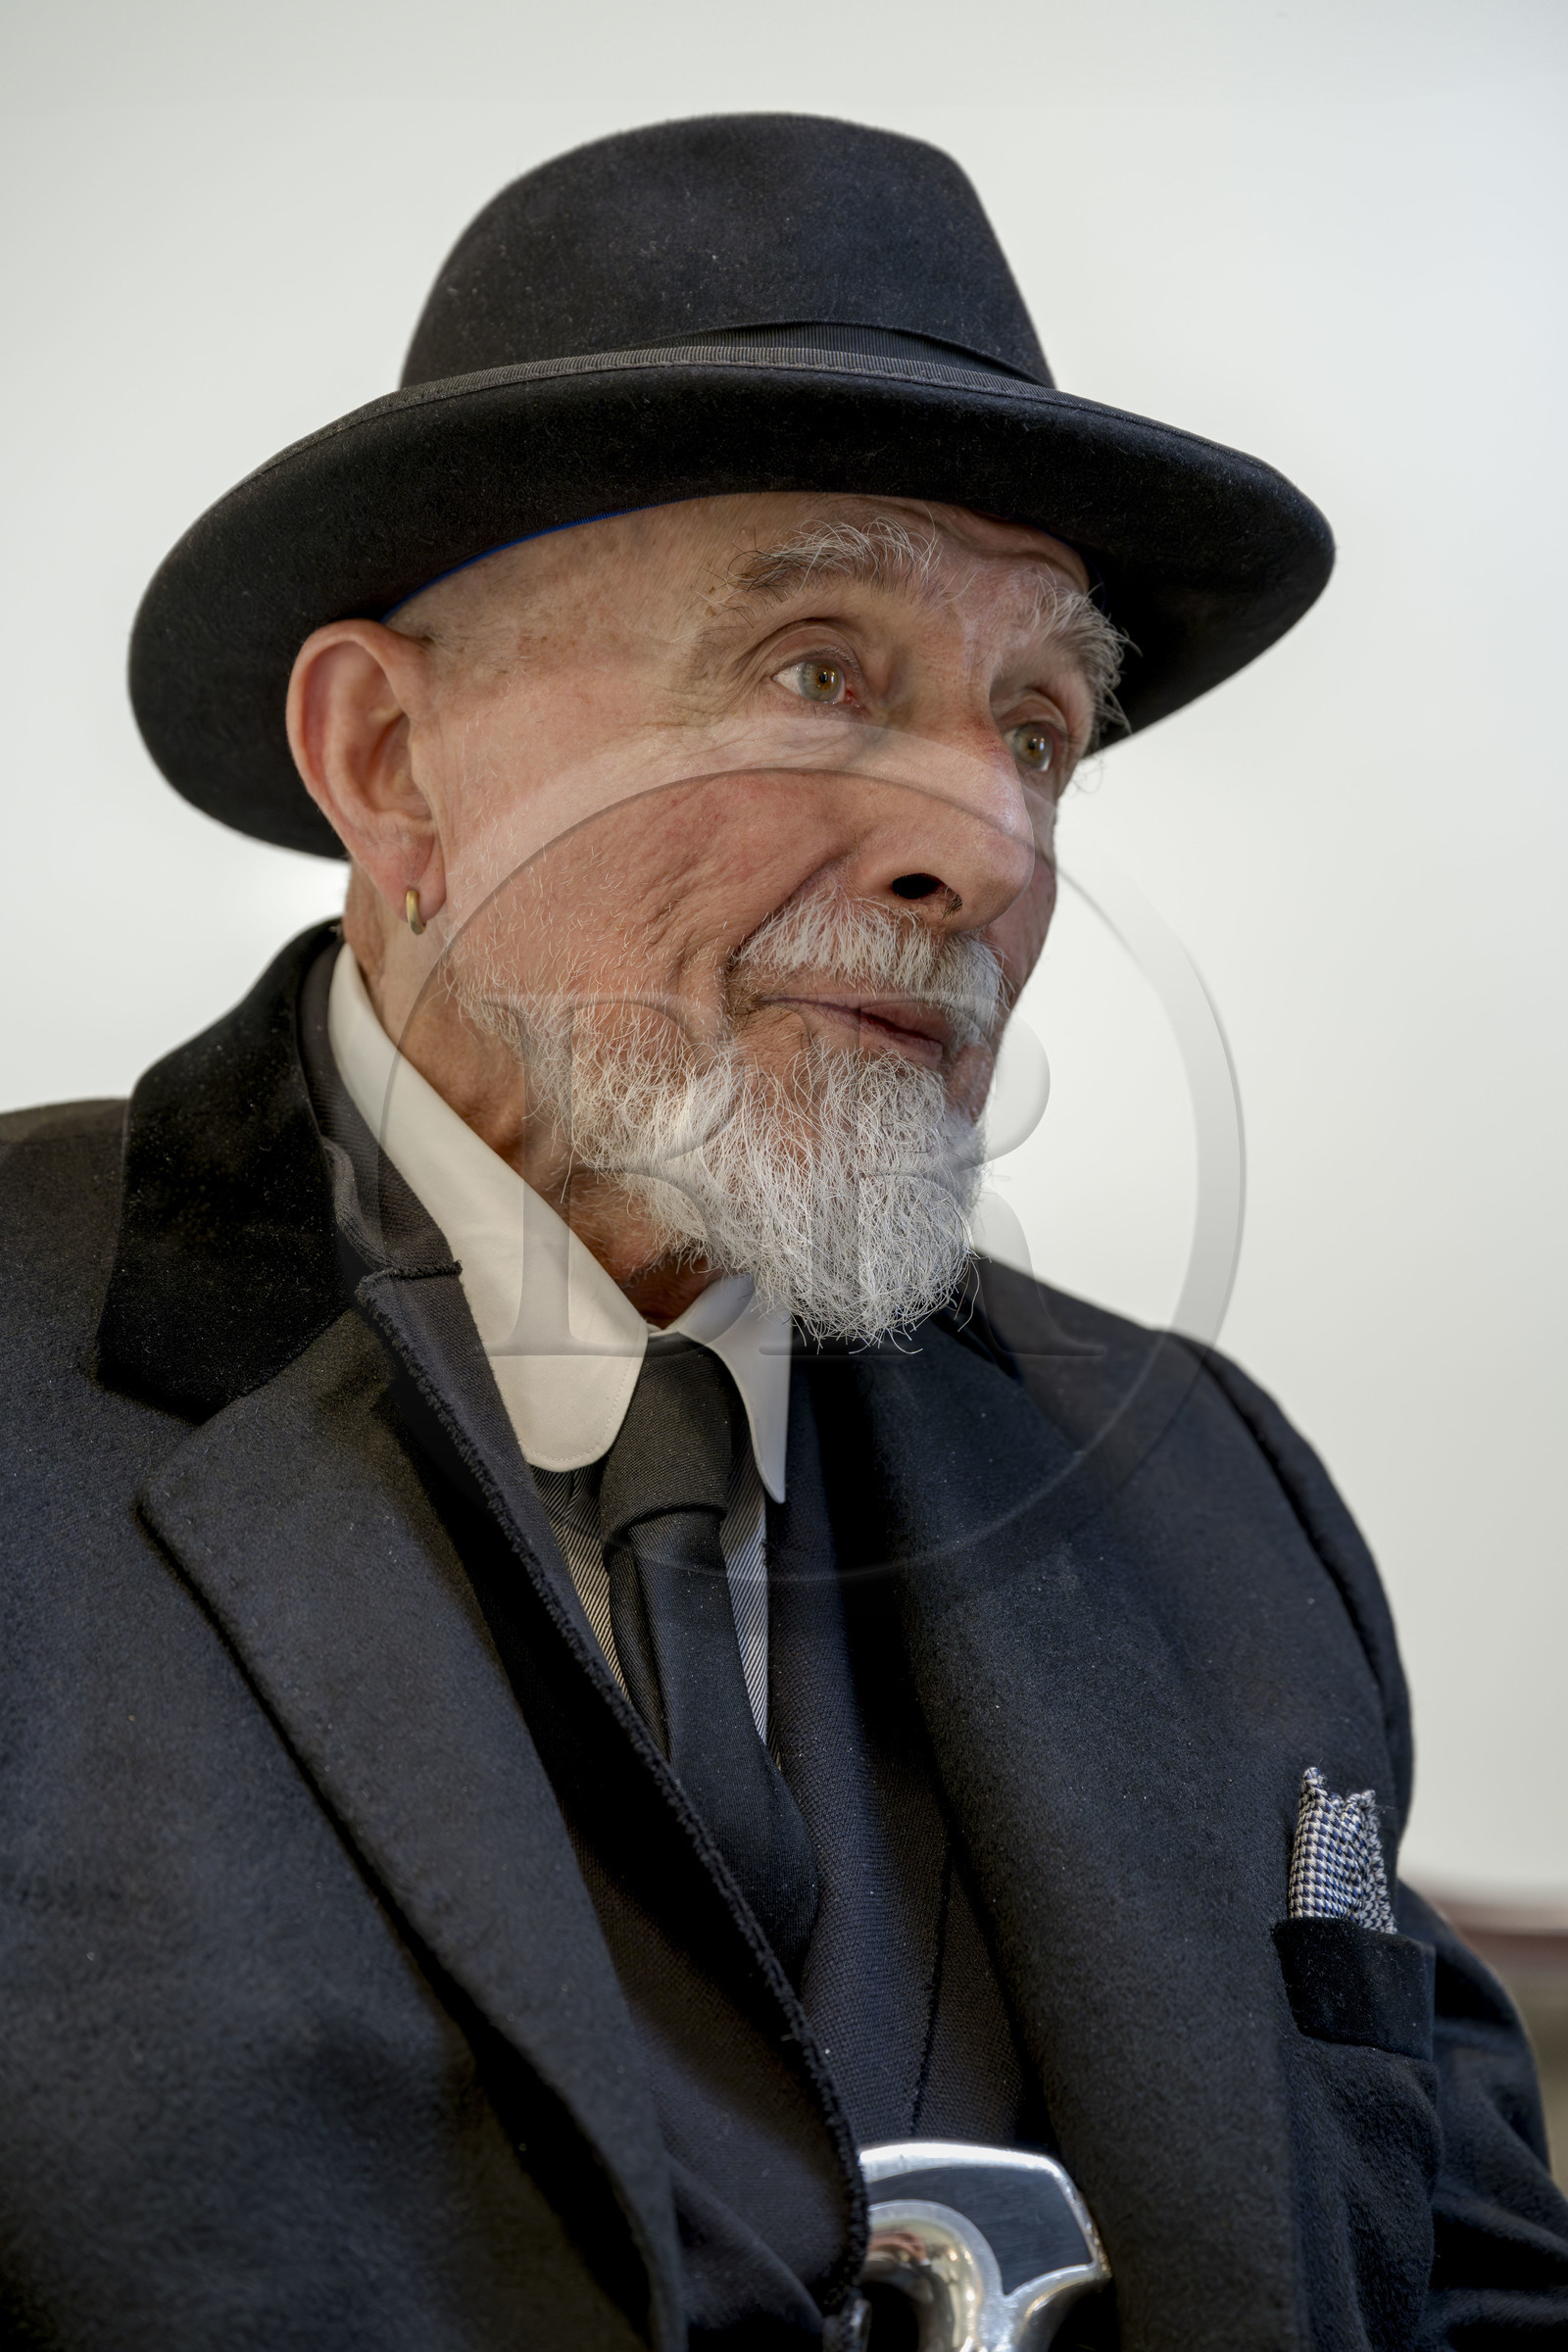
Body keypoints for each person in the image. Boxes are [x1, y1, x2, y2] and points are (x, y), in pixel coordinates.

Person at [2, 113, 1563, 2352]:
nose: (987, 848)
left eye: (1036, 726)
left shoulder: (1215, 1506)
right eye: (816, 669)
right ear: (387, 759)